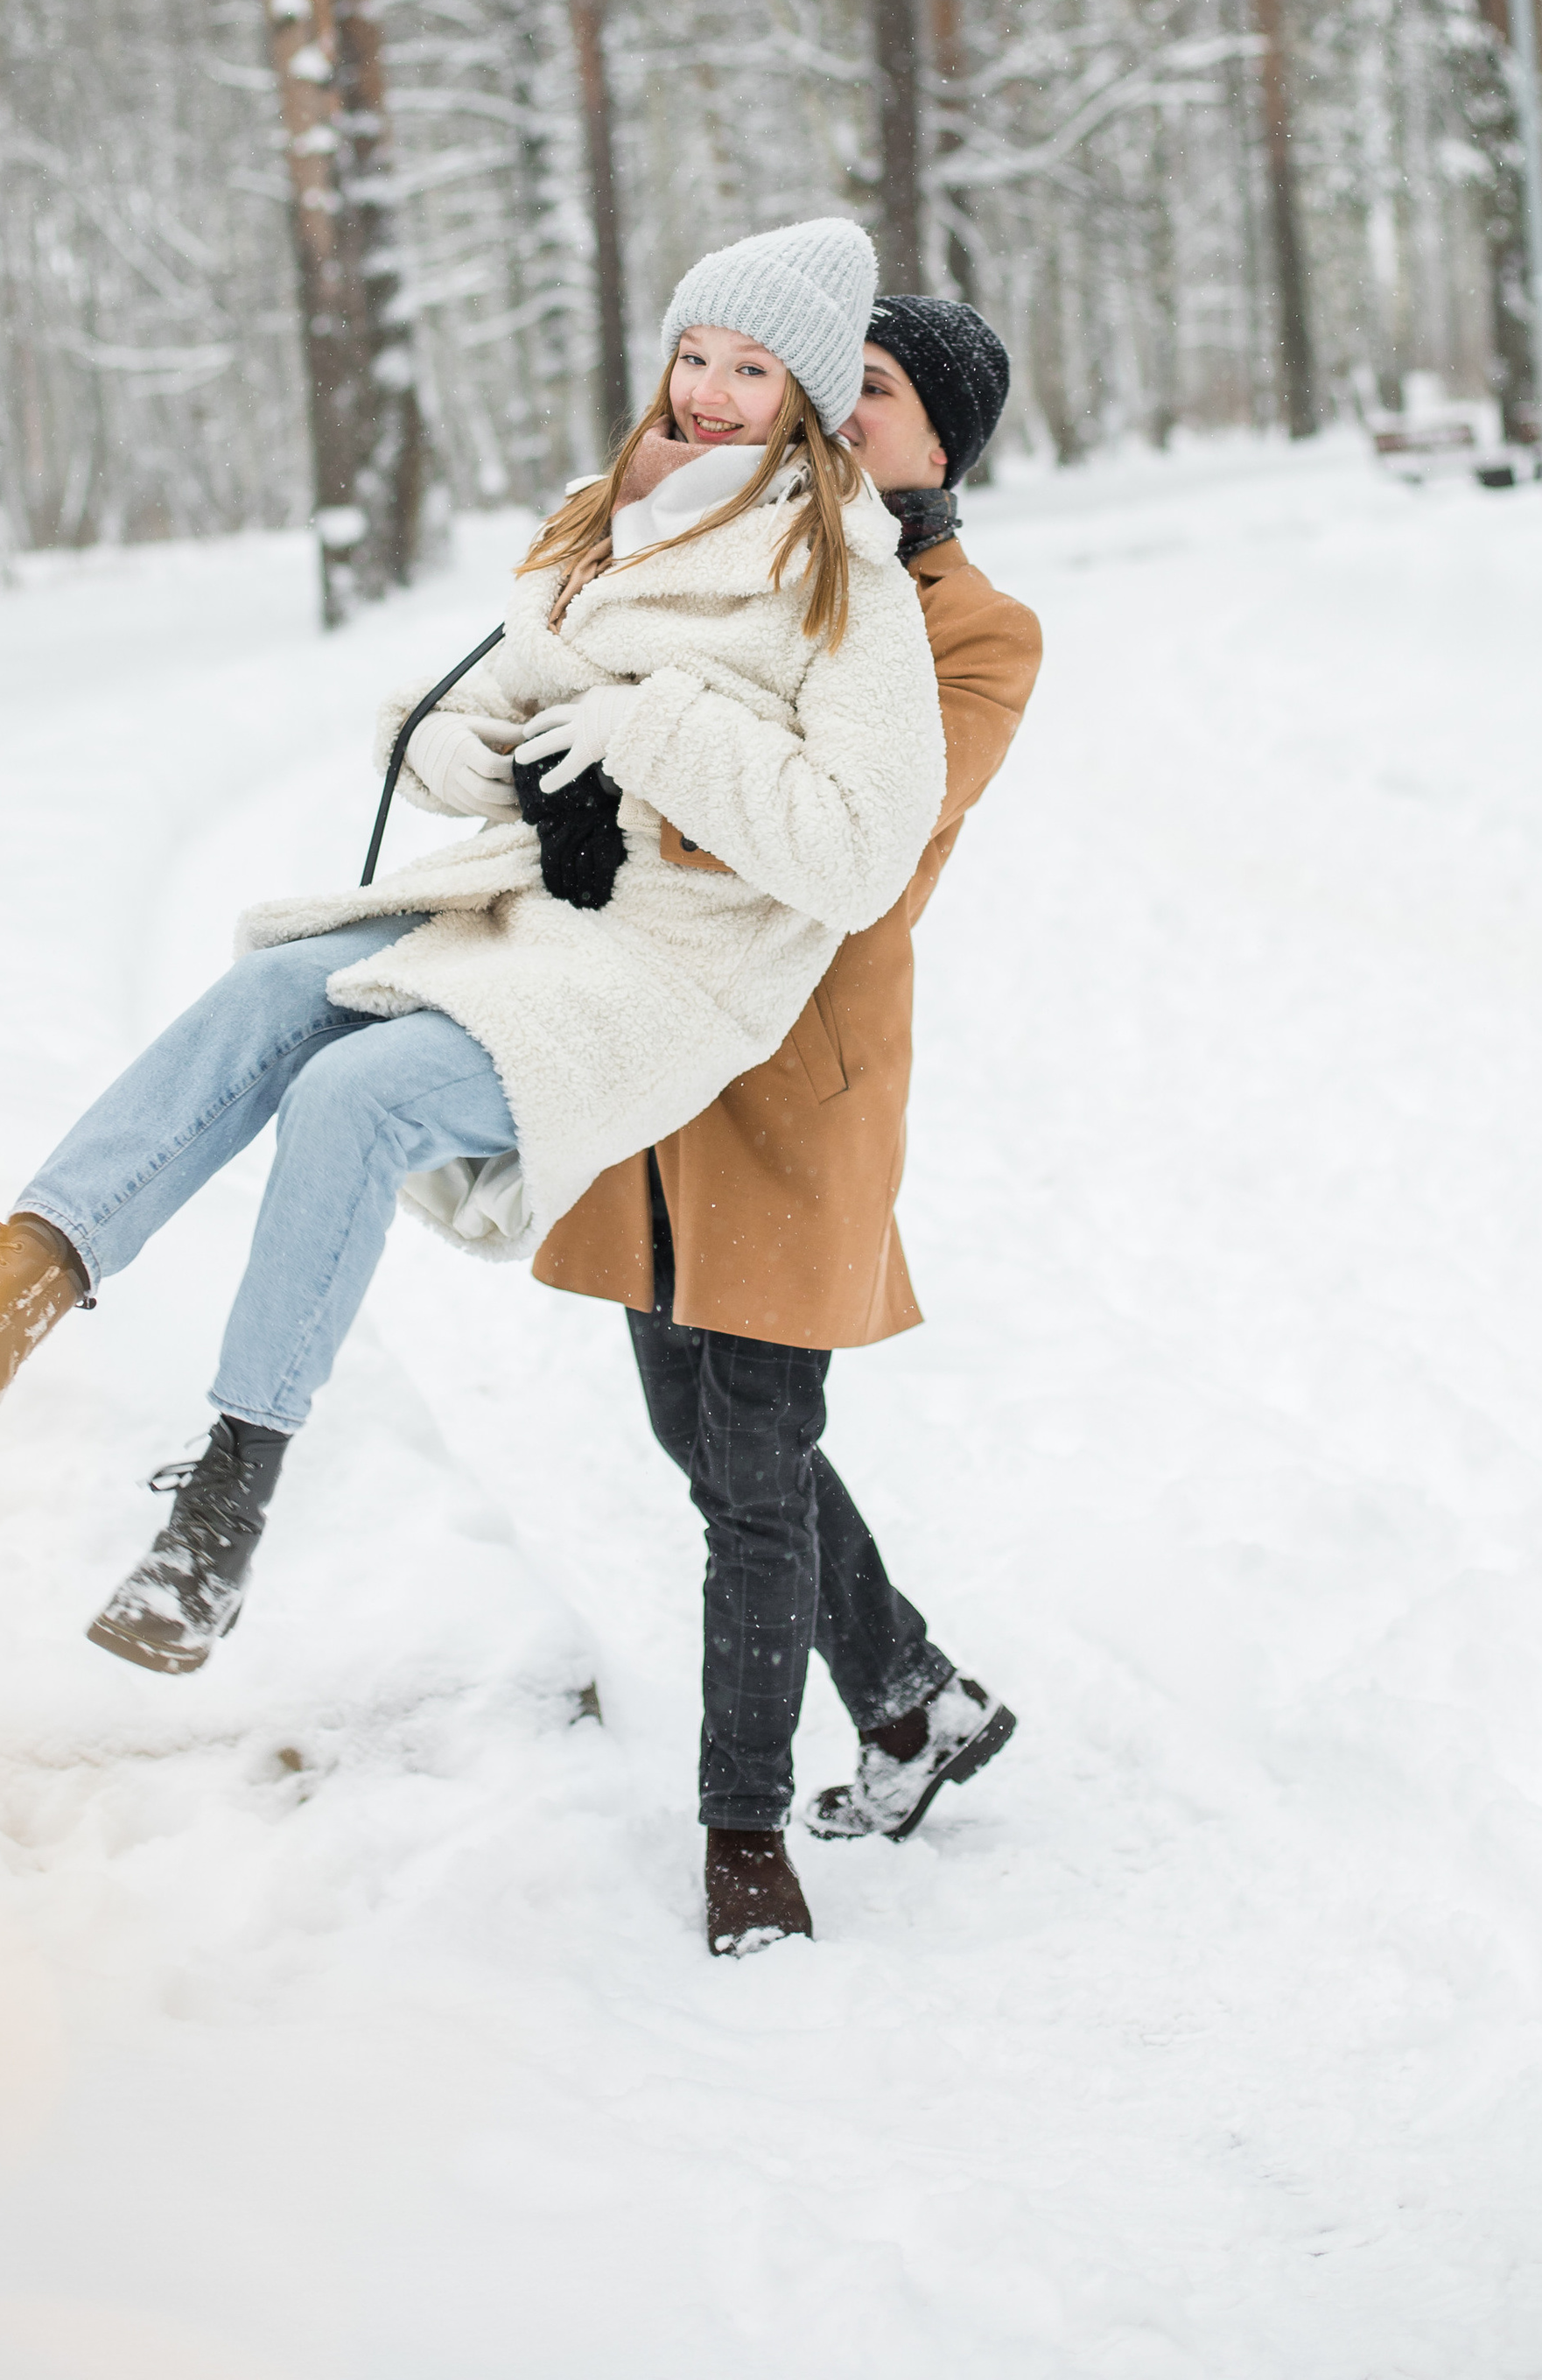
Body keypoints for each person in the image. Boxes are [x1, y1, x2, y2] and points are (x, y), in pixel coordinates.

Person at [0, 220, 946, 1723]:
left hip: (671, 974)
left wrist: (649, 739)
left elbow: (856, 855)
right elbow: (437, 718)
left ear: (811, 397)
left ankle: (222, 1515)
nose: (709, 393)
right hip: (535, 904)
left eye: (753, 369)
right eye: (696, 356)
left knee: (357, 1096)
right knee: (271, 989)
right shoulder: (618, 523)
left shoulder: (848, 591)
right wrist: (512, 763)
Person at [536, 295, 1043, 1954]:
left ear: (938, 445)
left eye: (870, 397)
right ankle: (909, 1699)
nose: (831, 418)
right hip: (654, 1056)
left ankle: (743, 1840)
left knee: (752, 1477)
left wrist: (659, 781)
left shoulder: (971, 626)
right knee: (705, 1437)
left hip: (795, 1081)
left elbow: (863, 847)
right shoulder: (726, 551)